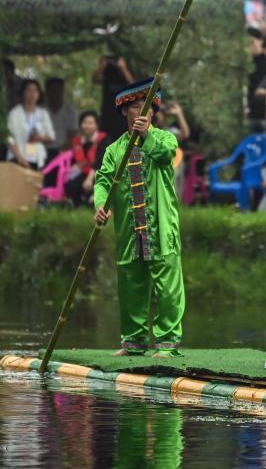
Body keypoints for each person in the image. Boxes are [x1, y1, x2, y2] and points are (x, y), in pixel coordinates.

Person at [94, 77, 185, 357]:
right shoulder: (114, 150)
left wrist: (147, 136)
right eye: (136, 107)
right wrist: (101, 205)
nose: (142, 112)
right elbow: (103, 181)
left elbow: (165, 155)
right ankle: (134, 341)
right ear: (125, 111)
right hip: (130, 229)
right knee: (131, 283)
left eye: (147, 107)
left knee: (167, 286)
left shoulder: (165, 139)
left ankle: (168, 342)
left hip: (161, 226)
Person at [6, 79, 56, 169]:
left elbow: (51, 136)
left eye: (35, 91)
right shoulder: (15, 113)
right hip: (18, 158)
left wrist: (38, 137)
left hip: (36, 158)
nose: (32, 94)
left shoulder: (43, 113)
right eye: (28, 90)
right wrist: (20, 158)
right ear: (23, 93)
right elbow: (9, 138)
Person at [68, 111, 106, 206]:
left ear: (96, 125)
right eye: (85, 122)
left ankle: (92, 198)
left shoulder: (104, 139)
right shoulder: (78, 141)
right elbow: (74, 160)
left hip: (99, 174)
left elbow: (99, 161)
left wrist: (89, 179)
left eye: (91, 123)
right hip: (83, 172)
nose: (87, 126)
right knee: (71, 184)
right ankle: (80, 200)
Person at [45, 77, 78, 153]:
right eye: (53, 90)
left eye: (59, 90)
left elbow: (73, 136)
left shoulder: (70, 111)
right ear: (47, 92)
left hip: (63, 151)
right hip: (42, 151)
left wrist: (62, 151)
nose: (56, 94)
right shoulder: (39, 110)